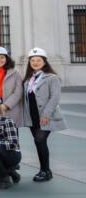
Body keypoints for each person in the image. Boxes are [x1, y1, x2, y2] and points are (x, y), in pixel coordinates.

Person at [21, 48, 67, 182]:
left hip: (46, 116)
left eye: (38, 60)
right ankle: (46, 170)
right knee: (39, 143)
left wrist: (46, 114)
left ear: (44, 62)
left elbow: (55, 97)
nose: (35, 63)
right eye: (32, 60)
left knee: (39, 140)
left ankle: (44, 170)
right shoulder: (28, 79)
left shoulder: (52, 78)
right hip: (32, 117)